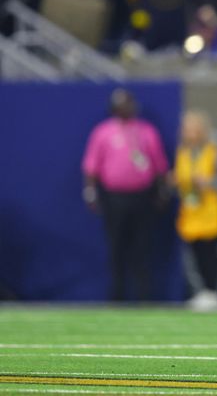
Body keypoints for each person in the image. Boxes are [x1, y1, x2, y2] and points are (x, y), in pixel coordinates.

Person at [81, 88, 169, 301]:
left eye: (128, 104)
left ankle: (144, 296)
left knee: (143, 247)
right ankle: (117, 296)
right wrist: (91, 192)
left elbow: (159, 166)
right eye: (121, 105)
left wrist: (162, 192)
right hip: (114, 197)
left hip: (142, 196)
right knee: (116, 247)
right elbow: (91, 166)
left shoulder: (146, 131)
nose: (125, 108)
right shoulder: (103, 132)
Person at [173, 110, 217, 310]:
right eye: (188, 129)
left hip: (210, 211)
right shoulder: (183, 152)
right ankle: (203, 291)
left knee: (210, 254)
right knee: (195, 255)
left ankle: (213, 291)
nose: (191, 134)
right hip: (190, 211)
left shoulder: (213, 150)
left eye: (195, 129)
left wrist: (209, 182)